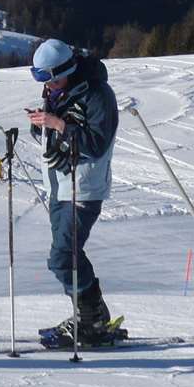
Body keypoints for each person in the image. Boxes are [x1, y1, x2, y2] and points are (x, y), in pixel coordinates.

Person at [26, 37, 119, 347]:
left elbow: (96, 143)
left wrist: (58, 124)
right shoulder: (58, 90)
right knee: (70, 255)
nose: (45, 86)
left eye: (48, 78)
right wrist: (42, 125)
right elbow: (56, 127)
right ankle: (91, 317)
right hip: (57, 185)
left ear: (64, 69)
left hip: (84, 187)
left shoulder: (97, 94)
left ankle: (91, 320)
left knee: (63, 258)